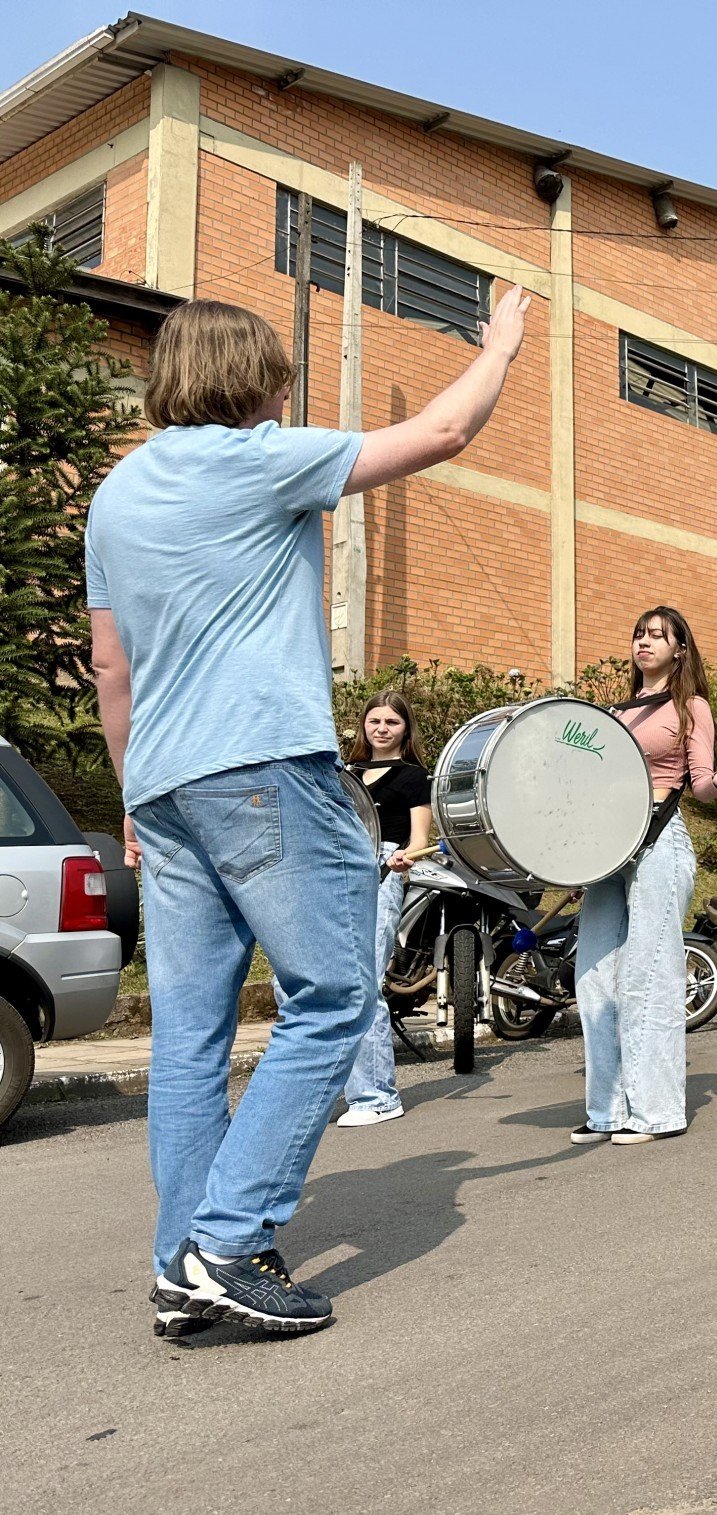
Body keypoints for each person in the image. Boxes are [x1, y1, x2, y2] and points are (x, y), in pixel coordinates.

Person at [88, 286, 531, 1336]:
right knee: (332, 993)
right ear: (250, 380)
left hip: (163, 785)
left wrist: (133, 798)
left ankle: (177, 1260)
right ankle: (226, 1242)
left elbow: (112, 666)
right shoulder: (255, 459)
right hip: (261, 767)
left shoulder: (117, 496)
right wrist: (502, 344)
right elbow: (444, 430)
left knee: (190, 1035)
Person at [570, 606, 717, 1146]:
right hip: (610, 852)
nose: (644, 642)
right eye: (638, 634)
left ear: (680, 649)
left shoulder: (689, 705)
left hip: (660, 842)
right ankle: (606, 1109)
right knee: (595, 979)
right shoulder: (614, 713)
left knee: (647, 977)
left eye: (657, 635)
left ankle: (655, 1112)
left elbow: (699, 785)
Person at [335, 691, 435, 1129]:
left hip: (384, 868)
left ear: (405, 729)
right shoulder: (345, 772)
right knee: (333, 985)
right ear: (363, 726)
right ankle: (342, 1090)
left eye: (391, 722)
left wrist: (404, 860)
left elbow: (418, 840)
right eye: (374, 720)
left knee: (364, 983)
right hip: (337, 871)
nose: (381, 728)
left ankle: (377, 1096)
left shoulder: (414, 777)